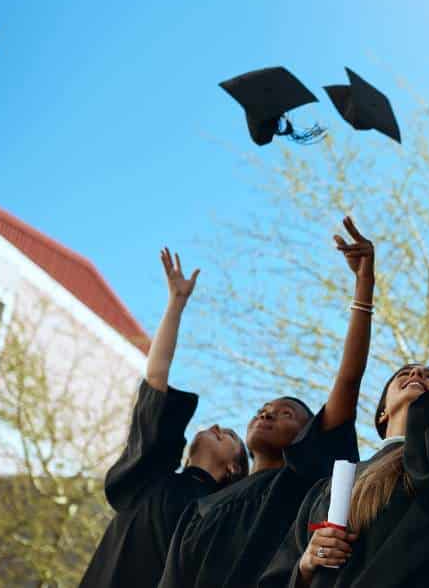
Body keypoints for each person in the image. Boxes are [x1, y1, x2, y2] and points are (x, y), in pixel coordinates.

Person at [260, 165, 429, 588]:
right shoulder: (329, 490)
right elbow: (280, 578)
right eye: (405, 373)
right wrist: (308, 563)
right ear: (381, 411)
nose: (418, 373)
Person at [157, 217, 373, 588]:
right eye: (262, 410)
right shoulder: (201, 509)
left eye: (285, 413)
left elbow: (348, 381)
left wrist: (363, 286)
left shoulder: (300, 481)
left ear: (308, 434)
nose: (268, 412)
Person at [79, 248, 248, 588]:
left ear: (234, 468)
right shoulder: (152, 475)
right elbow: (156, 375)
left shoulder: (224, 515)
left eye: (229, 434)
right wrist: (176, 305)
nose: (216, 427)